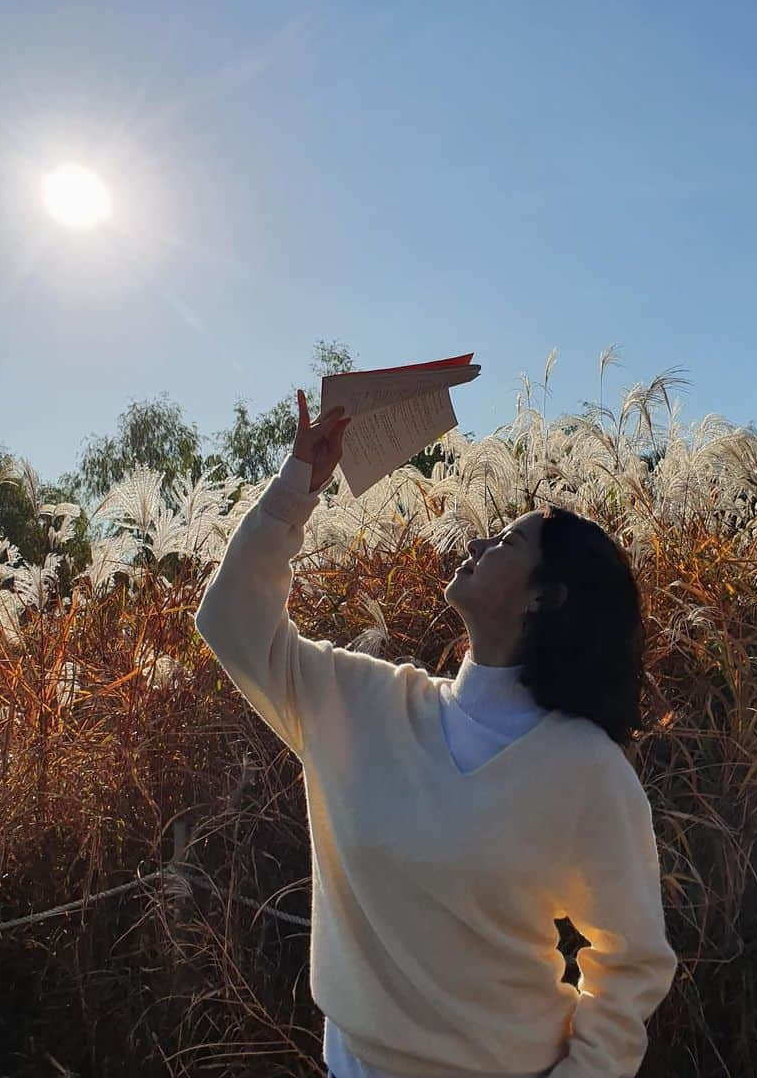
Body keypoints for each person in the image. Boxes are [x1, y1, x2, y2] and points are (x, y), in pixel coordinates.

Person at [195, 390, 678, 1078]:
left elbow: (631, 962)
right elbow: (232, 623)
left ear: (545, 597)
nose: (479, 541)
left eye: (508, 541)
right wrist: (295, 487)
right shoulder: (361, 704)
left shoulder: (585, 769)